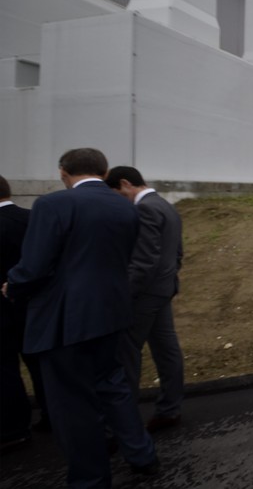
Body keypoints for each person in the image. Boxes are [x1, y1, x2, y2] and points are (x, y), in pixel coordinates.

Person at [2, 148, 159, 487]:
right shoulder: (126, 206)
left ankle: (90, 478)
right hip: (112, 311)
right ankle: (142, 454)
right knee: (113, 386)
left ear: (62, 171)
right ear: (104, 172)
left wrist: (12, 285)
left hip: (65, 319)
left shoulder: (52, 205)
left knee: (73, 404)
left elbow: (34, 265)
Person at [105, 166, 185, 434]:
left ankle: (122, 422)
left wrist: (123, 293)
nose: (118, 200)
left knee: (126, 355)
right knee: (166, 349)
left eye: (116, 193)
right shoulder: (165, 204)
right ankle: (169, 409)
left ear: (125, 184)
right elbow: (177, 253)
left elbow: (143, 260)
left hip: (143, 295)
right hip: (163, 289)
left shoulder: (145, 209)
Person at [0, 175, 50, 454]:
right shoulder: (33, 218)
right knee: (40, 365)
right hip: (34, 306)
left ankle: (14, 429)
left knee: (5, 370)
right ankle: (51, 416)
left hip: (3, 311)